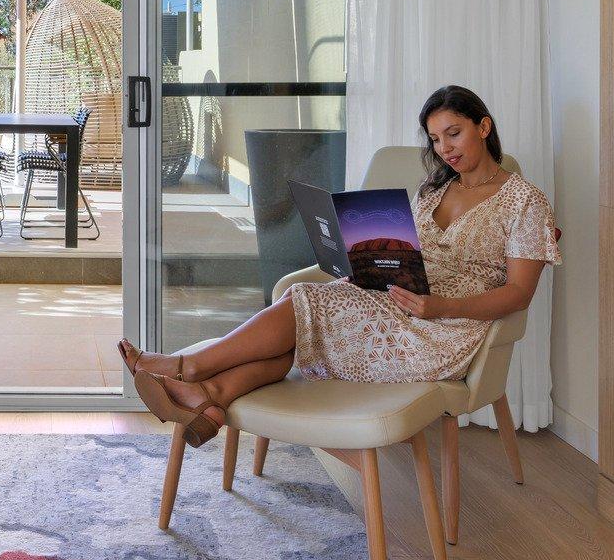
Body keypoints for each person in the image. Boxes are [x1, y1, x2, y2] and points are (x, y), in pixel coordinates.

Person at [118, 84, 561, 447]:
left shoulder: (525, 201)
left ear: (484, 127)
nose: (444, 148)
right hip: (397, 301)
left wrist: (436, 308)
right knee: (304, 326)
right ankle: (211, 399)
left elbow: (519, 294)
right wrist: (371, 264)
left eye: (454, 133)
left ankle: (190, 369)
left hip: (443, 329)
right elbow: (410, 253)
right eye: (434, 138)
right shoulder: (434, 190)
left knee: (303, 303)